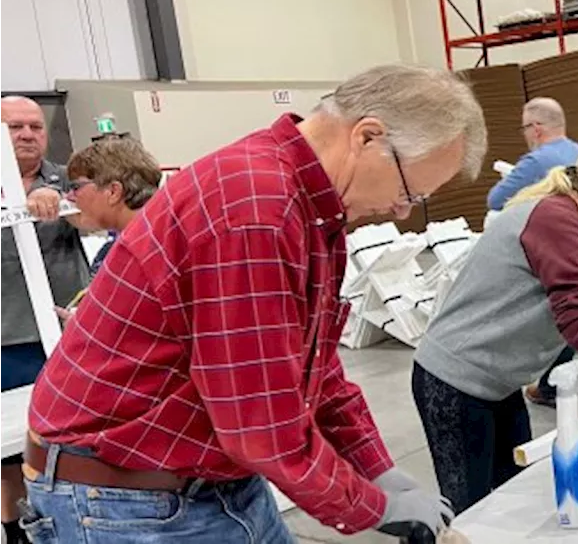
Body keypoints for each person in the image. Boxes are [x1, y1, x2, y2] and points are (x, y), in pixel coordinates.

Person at [19, 65, 488, 543]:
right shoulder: (255, 209)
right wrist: (371, 505)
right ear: (367, 137)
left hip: (210, 482)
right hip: (126, 501)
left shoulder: (311, 210)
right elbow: (261, 427)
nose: (402, 210)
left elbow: (314, 368)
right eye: (411, 192)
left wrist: (376, 467)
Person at [412, 134, 578, 514]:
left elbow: (577, 321)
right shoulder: (557, 221)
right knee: (470, 509)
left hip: (496, 381)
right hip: (456, 381)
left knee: (512, 492)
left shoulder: (564, 218)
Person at [0, 96, 89, 544]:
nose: (28, 135)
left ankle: (72, 522)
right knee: (8, 449)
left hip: (68, 337)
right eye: (16, 127)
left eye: (35, 126)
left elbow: (96, 216)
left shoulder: (68, 177)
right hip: (7, 339)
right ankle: (15, 530)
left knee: (70, 440)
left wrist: (60, 197)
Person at [488, 98, 578, 406]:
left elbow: (495, 200)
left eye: (524, 128)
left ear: (536, 128)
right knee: (575, 323)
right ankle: (549, 386)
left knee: (571, 328)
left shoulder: (536, 162)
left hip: (559, 256)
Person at [51, 136, 164, 324]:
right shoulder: (116, 249)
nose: (70, 197)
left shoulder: (153, 249)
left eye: (76, 187)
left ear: (113, 191)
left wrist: (94, 327)